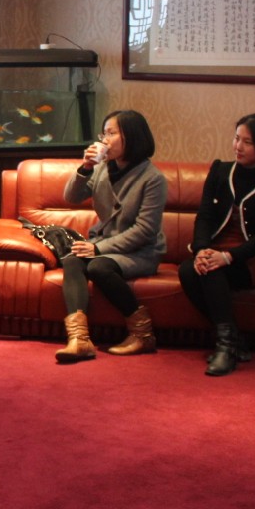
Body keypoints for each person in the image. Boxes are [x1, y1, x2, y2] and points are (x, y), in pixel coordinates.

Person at [178, 114, 255, 377]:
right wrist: (201, 250)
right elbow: (204, 216)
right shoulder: (220, 170)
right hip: (216, 251)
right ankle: (234, 341)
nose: (237, 146)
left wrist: (227, 257)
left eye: (247, 142)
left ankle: (225, 348)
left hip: (254, 260)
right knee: (187, 270)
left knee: (212, 271)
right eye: (236, 138)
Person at [56, 109, 167, 364]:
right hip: (106, 243)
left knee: (98, 267)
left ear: (132, 137)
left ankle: (142, 334)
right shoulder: (102, 169)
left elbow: (145, 230)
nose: (105, 140)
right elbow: (71, 197)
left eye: (111, 133)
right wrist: (86, 168)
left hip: (141, 251)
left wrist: (98, 249)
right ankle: (79, 340)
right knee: (72, 259)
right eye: (103, 133)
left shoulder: (153, 179)